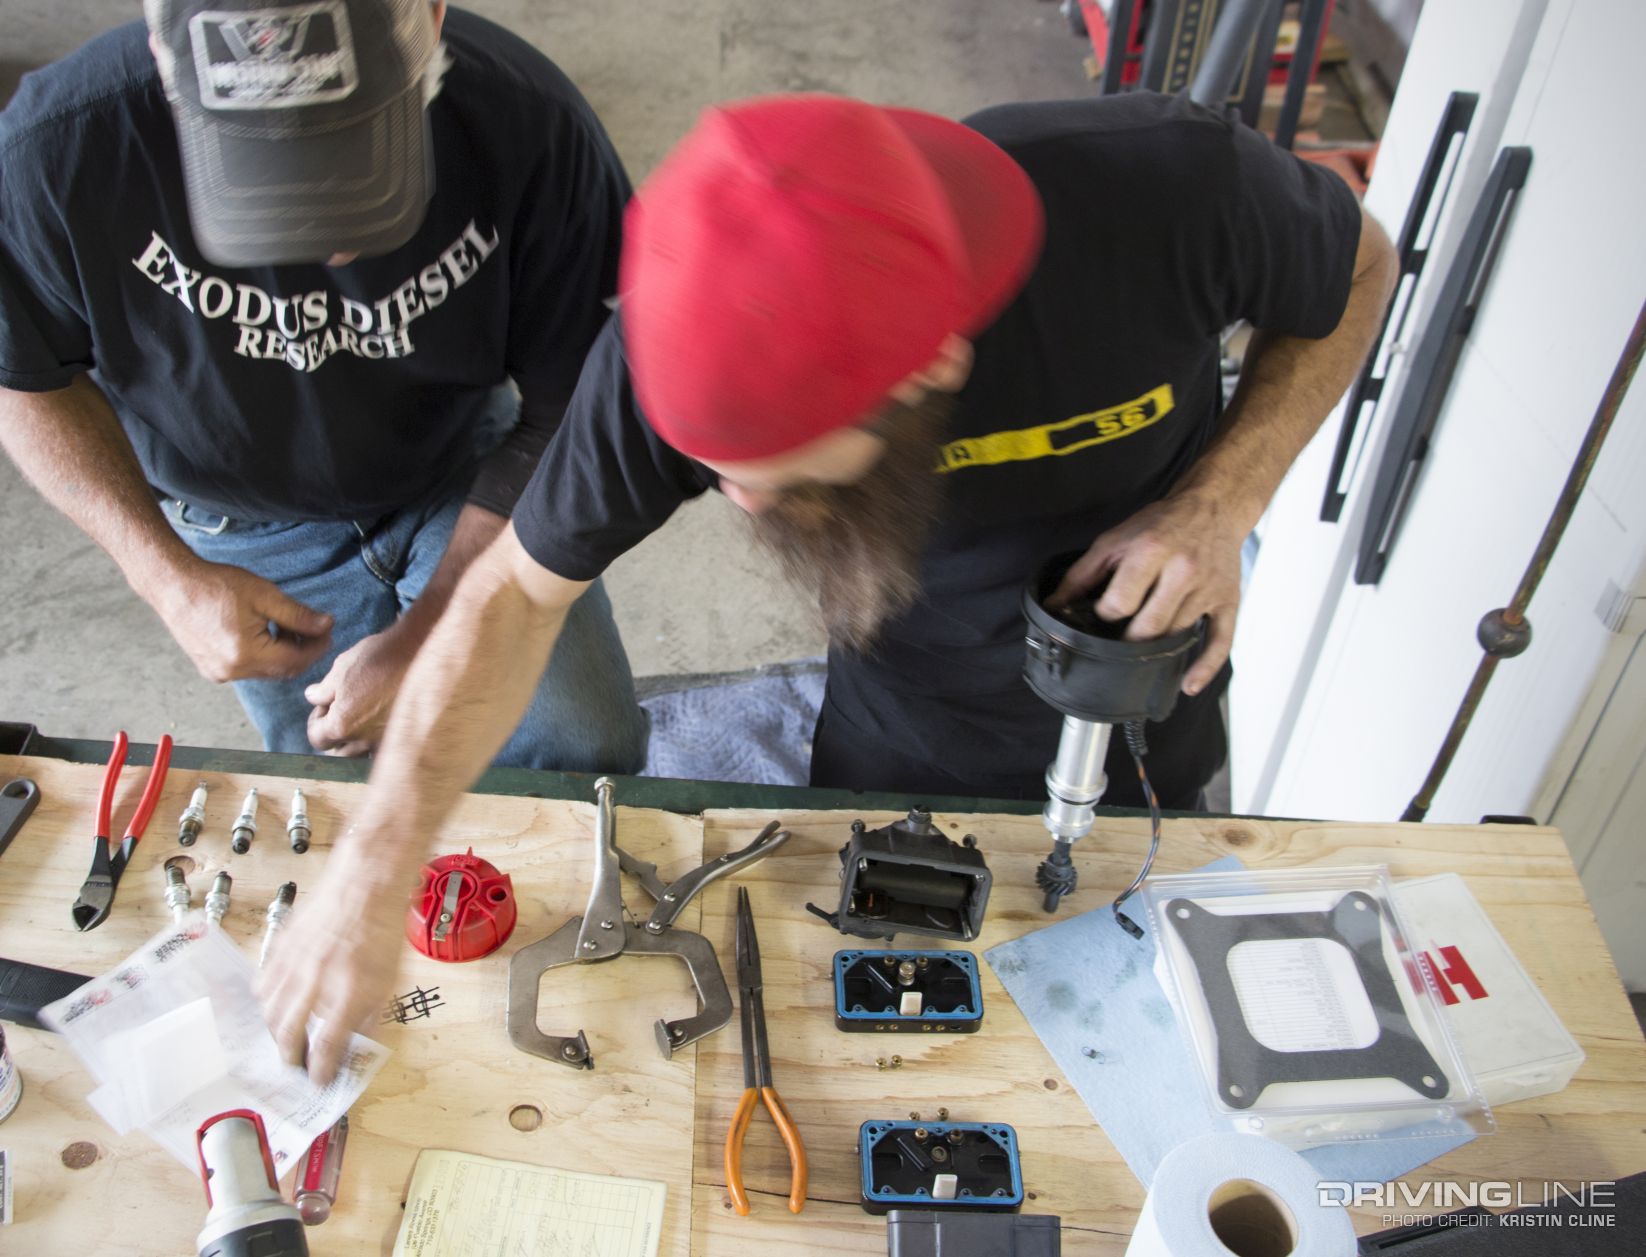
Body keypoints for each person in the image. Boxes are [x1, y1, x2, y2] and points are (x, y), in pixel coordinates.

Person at [265, 91, 1396, 1082]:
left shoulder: (1164, 190)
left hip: (1147, 678)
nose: (742, 510)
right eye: (722, 479)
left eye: (781, 479)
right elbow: (511, 599)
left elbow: (1359, 266)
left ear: (933, 366)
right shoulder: (686, 340)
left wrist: (1220, 503)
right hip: (902, 723)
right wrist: (372, 868)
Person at [0, 0, 647, 769]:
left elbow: (578, 413)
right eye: (268, 175)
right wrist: (164, 575)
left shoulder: (532, 127)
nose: (332, 241)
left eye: (359, 156)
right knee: (324, 785)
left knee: (581, 744)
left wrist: (435, 634)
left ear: (430, 15)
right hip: (236, 523)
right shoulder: (57, 151)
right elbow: (16, 375)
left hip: (463, 471)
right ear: (163, 52)